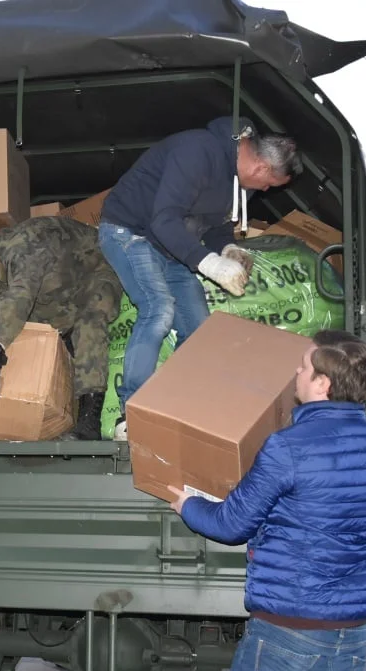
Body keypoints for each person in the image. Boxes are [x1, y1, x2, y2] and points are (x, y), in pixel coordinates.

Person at [164, 329, 366, 671]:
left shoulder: (287, 446)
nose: (296, 370)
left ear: (322, 383)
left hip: (287, 628)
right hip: (350, 632)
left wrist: (189, 505)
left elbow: (231, 524)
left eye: (304, 365)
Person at [99, 116, 302, 440]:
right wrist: (208, 263)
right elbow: (164, 220)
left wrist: (229, 250)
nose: (265, 191)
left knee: (199, 329)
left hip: (169, 246)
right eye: (269, 185)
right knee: (158, 308)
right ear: (262, 169)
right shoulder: (198, 151)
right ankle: (131, 413)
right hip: (130, 232)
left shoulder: (241, 186)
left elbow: (216, 227)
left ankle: (175, 407)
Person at [0, 215, 122, 440]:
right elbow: (9, 319)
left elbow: (20, 298)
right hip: (61, 291)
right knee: (38, 340)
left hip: (96, 272)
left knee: (88, 322)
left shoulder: (25, 245)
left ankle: (89, 423)